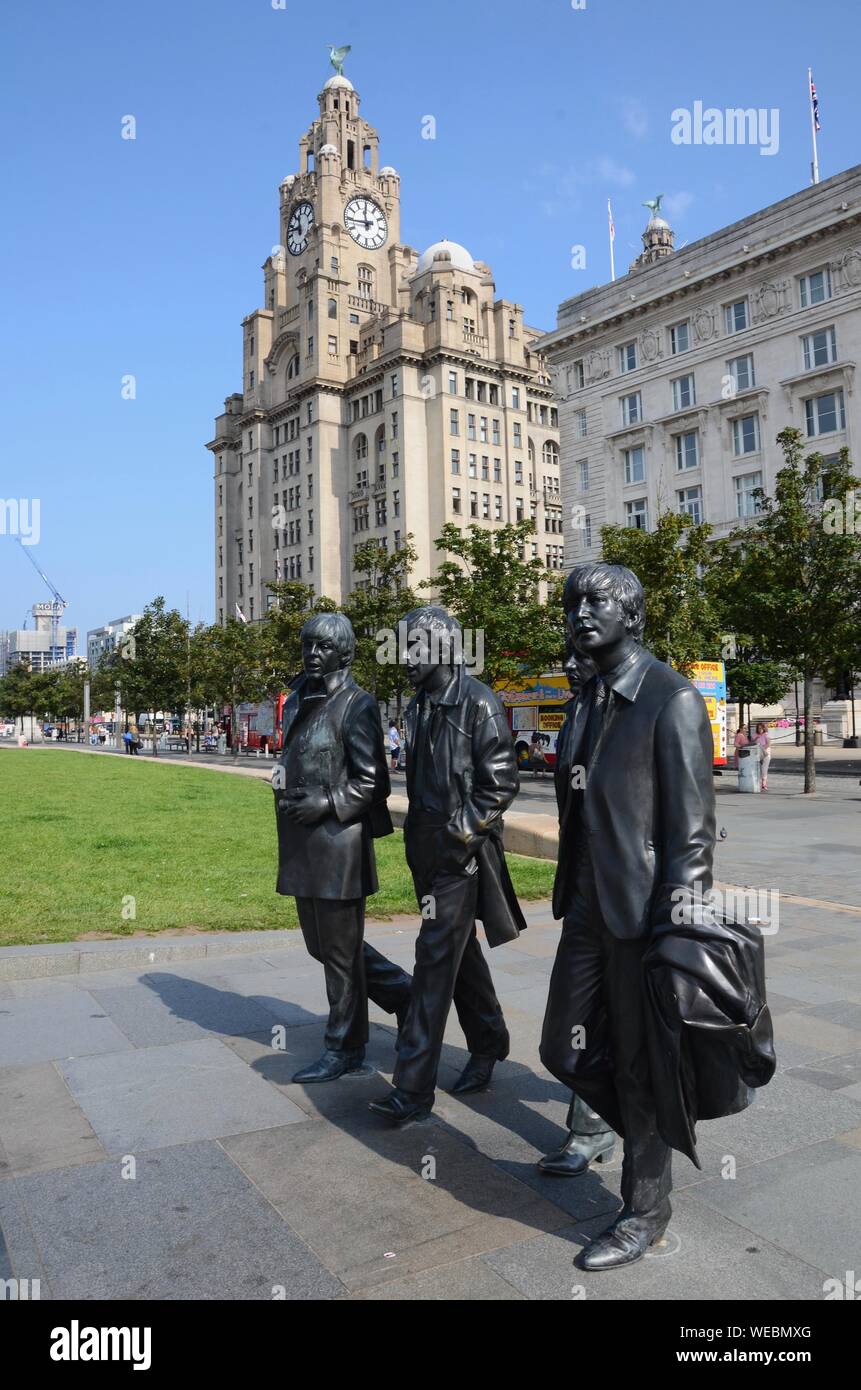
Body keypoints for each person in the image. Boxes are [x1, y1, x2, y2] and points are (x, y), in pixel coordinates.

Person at [540, 562, 716, 1272]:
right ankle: (646, 1131)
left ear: (633, 616)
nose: (583, 612)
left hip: (643, 914)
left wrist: (677, 931)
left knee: (642, 1066)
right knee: (563, 1048)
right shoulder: (586, 697)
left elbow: (692, 834)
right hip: (587, 905)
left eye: (600, 602)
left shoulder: (668, 700)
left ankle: (645, 1208)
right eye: (575, 602)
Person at [369, 605, 525, 1128]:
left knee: (434, 961)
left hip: (462, 852)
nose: (405, 658)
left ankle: (412, 1089)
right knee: (460, 954)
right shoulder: (417, 706)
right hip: (426, 848)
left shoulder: (478, 702)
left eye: (414, 646)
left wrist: (462, 832)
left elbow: (500, 782)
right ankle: (490, 1040)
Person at [273, 613, 413, 1083]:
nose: (312, 654)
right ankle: (403, 996)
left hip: (338, 843)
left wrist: (326, 802)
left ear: (344, 652)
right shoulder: (298, 700)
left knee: (338, 953)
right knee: (324, 947)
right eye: (307, 645)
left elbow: (374, 782)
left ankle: (345, 1046)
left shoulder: (358, 705)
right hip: (301, 843)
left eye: (322, 647)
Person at [537, 636, 616, 1177]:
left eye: (578, 655)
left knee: (618, 1015)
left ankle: (592, 1127)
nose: (568, 663)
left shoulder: (640, 710)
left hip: (630, 892)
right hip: (585, 888)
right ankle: (604, 1116)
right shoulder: (576, 711)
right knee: (567, 1028)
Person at [754, 721, 771, 790]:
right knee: (758, 769)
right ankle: (757, 782)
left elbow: (768, 744)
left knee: (764, 768)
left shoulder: (766, 734)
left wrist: (762, 749)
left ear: (764, 728)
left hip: (765, 753)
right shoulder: (755, 735)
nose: (760, 730)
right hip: (757, 753)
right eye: (758, 728)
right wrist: (755, 739)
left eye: (761, 728)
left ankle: (764, 783)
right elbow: (753, 743)